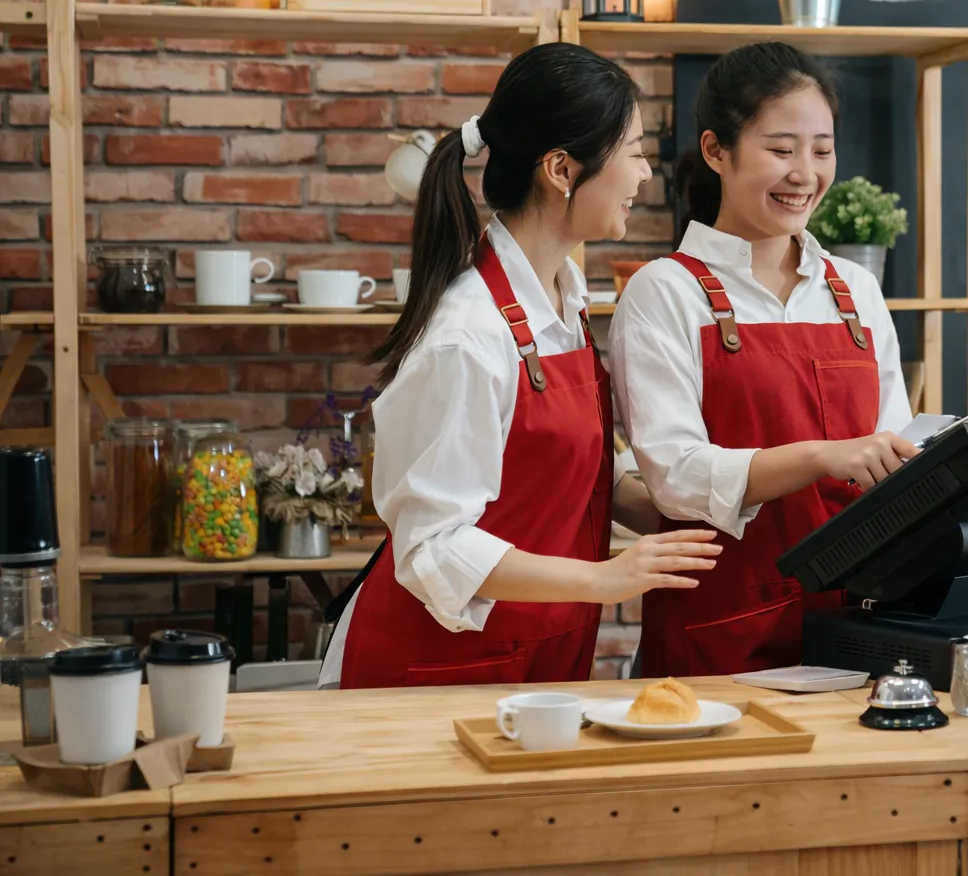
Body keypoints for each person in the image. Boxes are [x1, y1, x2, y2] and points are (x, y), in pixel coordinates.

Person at [323, 43, 720, 690]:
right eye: (633, 152)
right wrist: (605, 578)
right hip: (434, 672)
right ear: (562, 169)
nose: (647, 174)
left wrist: (710, 522)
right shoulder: (467, 336)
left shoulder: (564, 300)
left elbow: (576, 474)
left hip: (535, 658)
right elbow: (433, 546)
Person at [610, 42, 916, 678]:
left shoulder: (856, 291)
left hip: (857, 626)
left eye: (822, 151)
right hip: (720, 630)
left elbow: (890, 454)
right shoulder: (666, 292)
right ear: (716, 151)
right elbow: (676, 477)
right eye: (781, 150)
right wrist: (821, 456)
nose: (805, 173)